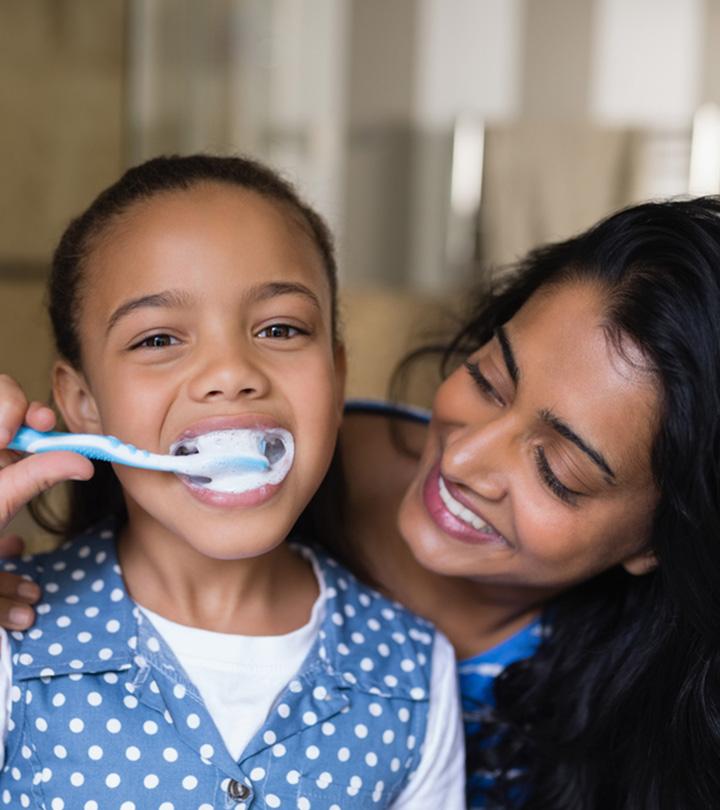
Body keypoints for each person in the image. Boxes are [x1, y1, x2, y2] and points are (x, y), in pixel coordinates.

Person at [2, 195, 720, 809]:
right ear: (82, 402)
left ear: (662, 540)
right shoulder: (32, 637)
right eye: (490, 380)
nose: (464, 460)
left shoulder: (420, 676)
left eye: (559, 469)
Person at [0, 154, 465, 808]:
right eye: (159, 339)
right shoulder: (13, 644)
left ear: (335, 380)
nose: (230, 371)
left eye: (280, 328)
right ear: (83, 405)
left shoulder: (413, 675)